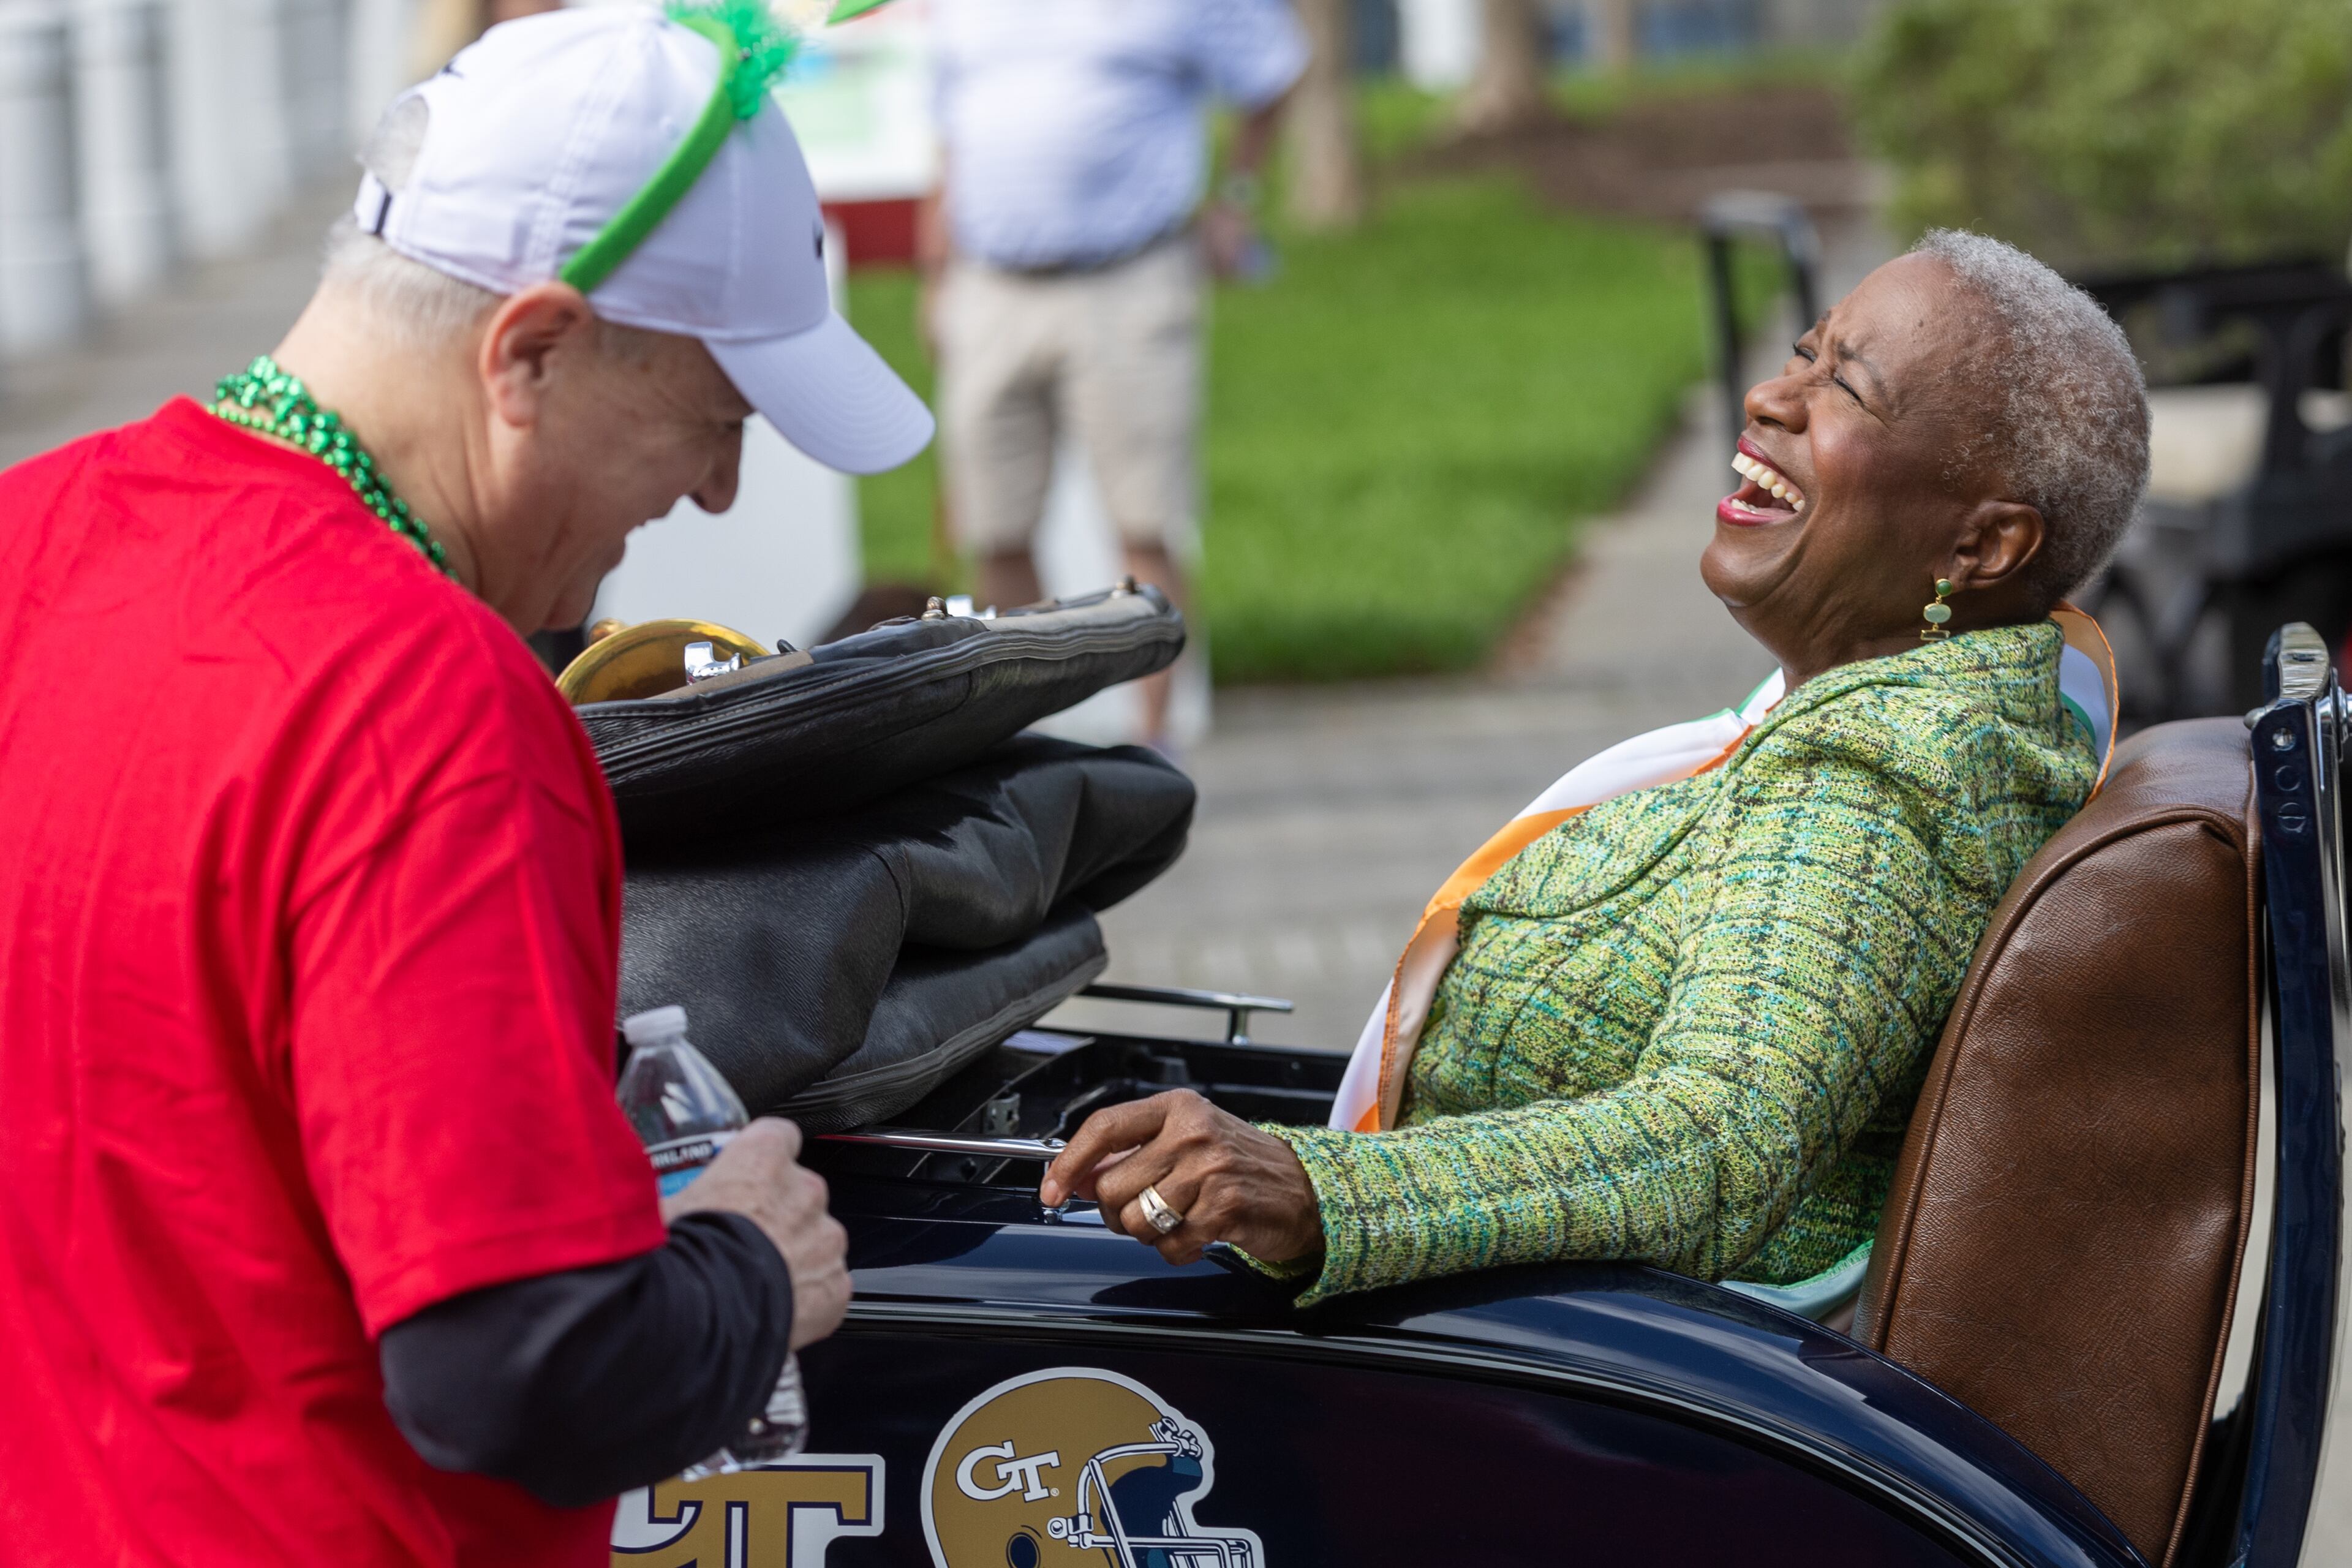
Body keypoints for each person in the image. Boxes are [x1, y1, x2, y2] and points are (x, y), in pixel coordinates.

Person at [0, 9, 932, 1564]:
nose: (715, 490)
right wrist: (741, 1268)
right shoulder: (420, 702)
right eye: (714, 421)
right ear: (532, 351)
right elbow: (519, 1364)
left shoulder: (28, 541)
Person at [1041, 232, 2152, 1316]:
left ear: (1981, 549)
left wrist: (1316, 1189)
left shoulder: (1877, 775)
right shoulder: (1949, 706)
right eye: (1804, 351)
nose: (1772, 396)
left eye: (1845, 389)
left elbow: (1715, 1146)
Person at [924, 0, 1309, 742]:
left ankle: (1153, 750)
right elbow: (947, 132)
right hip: (989, 282)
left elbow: (1275, 70)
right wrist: (935, 270)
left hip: (1131, 276)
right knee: (995, 528)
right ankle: (1023, 745)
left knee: (1143, 524)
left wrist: (1236, 201)